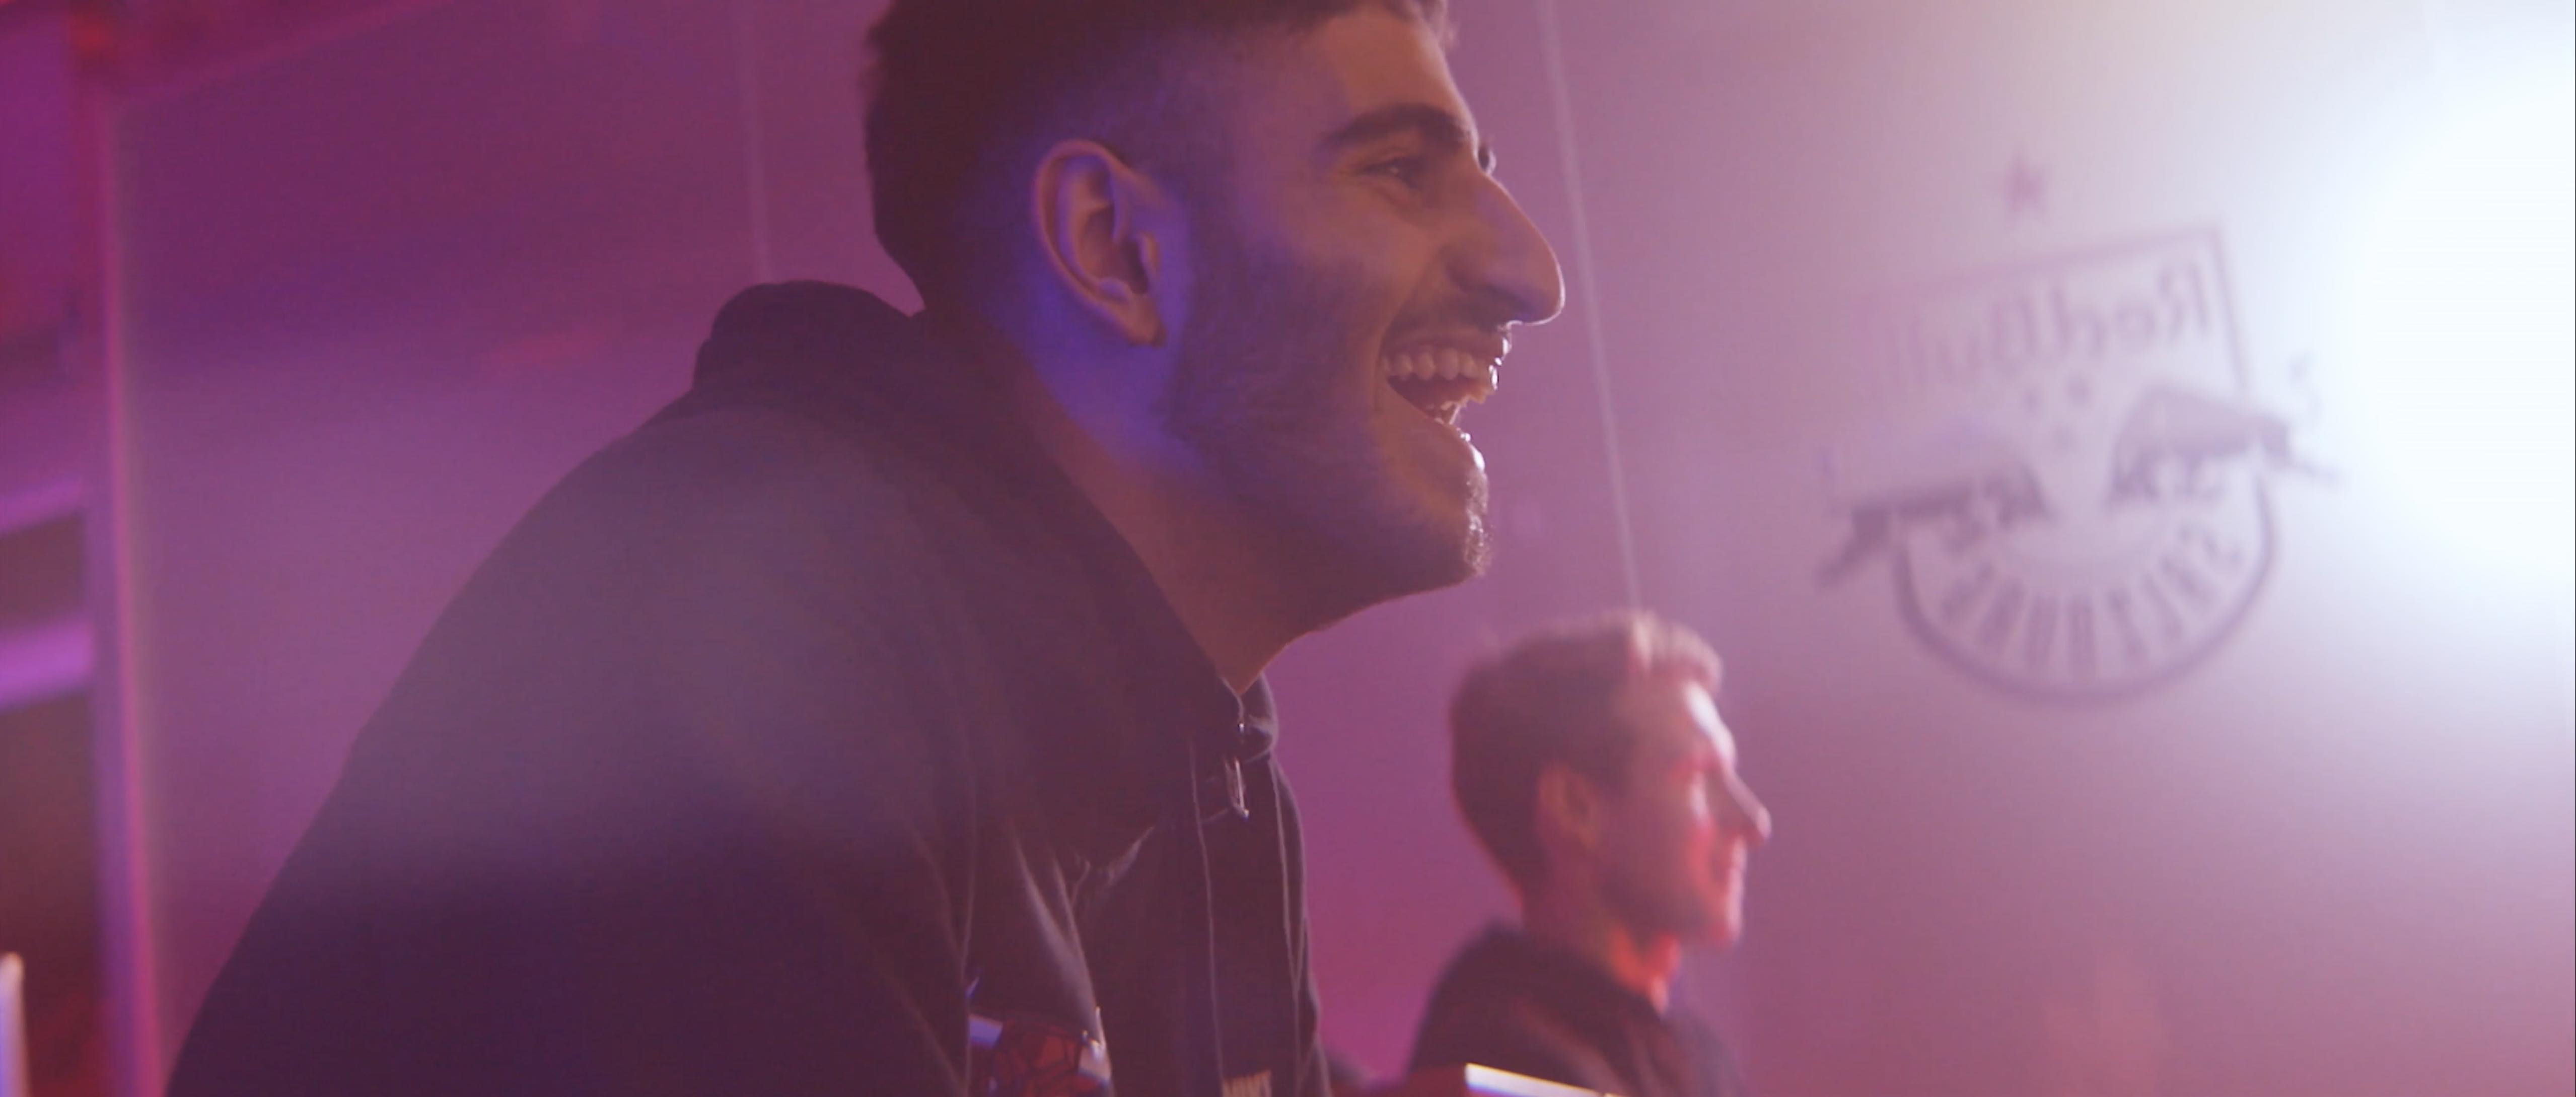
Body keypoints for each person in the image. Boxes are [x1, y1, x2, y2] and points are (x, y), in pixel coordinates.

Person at [163, 1, 1561, 1093]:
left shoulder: (1201, 757)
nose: (1528, 272)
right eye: (1399, 172)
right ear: (1114, 247)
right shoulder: (732, 627)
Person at [1410, 613, 1770, 1097]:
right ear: (1575, 808)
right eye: (1699, 775)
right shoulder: (1501, 1052)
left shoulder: (1701, 1061)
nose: (1753, 821)